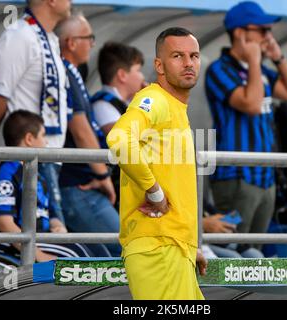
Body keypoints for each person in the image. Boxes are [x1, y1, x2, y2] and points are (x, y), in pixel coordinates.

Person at [107, 27, 207, 300]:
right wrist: (154, 191)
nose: (188, 63)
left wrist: (188, 245)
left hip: (173, 247)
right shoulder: (155, 99)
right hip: (157, 248)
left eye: (194, 56)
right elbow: (118, 139)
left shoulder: (174, 107)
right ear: (159, 66)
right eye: (178, 56)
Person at [205, 1, 287, 253]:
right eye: (262, 31)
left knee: (255, 251)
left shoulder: (261, 71)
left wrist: (278, 58)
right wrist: (253, 60)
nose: (268, 37)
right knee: (232, 245)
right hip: (236, 177)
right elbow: (250, 104)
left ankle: (247, 295)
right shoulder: (219, 69)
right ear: (240, 33)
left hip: (264, 177)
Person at [0, 0, 72, 224]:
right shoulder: (18, 36)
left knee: (53, 240)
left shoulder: (49, 38)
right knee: (40, 247)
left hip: (48, 158)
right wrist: (22, 134)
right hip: (26, 160)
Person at [0, 110, 93, 262]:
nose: (46, 142)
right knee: (77, 258)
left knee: (95, 248)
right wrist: (40, 256)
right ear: (29, 139)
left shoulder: (36, 173)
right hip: (8, 244)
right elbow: (4, 224)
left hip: (38, 238)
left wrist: (57, 225)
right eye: (43, 135)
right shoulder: (6, 172)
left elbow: (48, 213)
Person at [54, 13, 120, 257]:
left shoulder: (72, 73)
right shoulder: (65, 73)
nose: (92, 43)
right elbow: (80, 129)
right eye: (88, 38)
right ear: (71, 43)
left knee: (109, 256)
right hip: (79, 186)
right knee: (129, 252)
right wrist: (102, 174)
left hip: (84, 184)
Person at [91, 41, 145, 207]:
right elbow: (130, 142)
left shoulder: (127, 104)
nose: (143, 77)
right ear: (122, 75)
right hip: (116, 188)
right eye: (138, 70)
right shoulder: (103, 104)